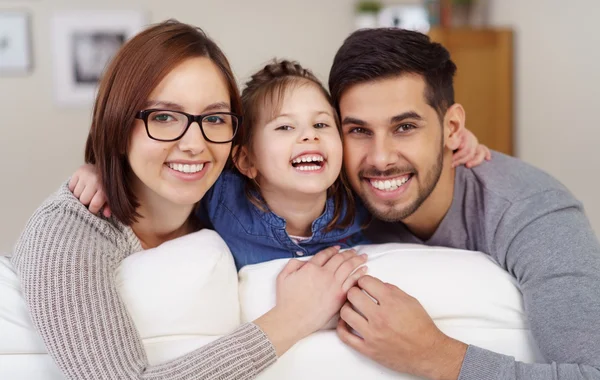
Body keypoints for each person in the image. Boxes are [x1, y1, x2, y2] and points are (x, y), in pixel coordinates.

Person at [11, 20, 370, 380]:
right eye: (164, 117)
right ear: (117, 125)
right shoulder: (69, 233)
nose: (195, 144)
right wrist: (293, 318)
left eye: (214, 118)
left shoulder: (227, 192)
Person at [329, 28, 600, 380]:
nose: (380, 158)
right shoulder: (329, 197)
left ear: (452, 128)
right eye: (358, 130)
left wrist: (434, 355)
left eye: (405, 127)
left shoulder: (532, 211)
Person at [70, 59, 489, 269]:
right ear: (247, 160)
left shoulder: (358, 200)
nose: (308, 136)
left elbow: (400, 180)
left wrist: (453, 141)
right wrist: (100, 174)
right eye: (285, 128)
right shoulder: (222, 195)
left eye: (322, 124)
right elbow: (166, 180)